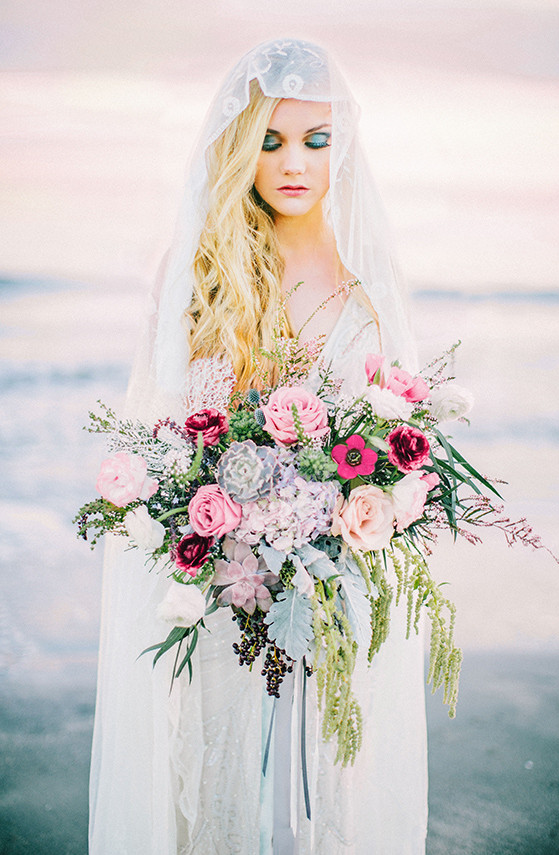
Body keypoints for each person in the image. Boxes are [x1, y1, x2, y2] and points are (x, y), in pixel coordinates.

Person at [89, 38, 427, 854]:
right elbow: (168, 437)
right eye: (270, 139)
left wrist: (364, 511)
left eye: (316, 139)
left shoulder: (365, 293)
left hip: (329, 592)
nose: (294, 162)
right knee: (223, 773)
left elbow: (393, 443)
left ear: (341, 149)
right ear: (242, 146)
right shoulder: (199, 273)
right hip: (221, 589)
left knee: (326, 776)